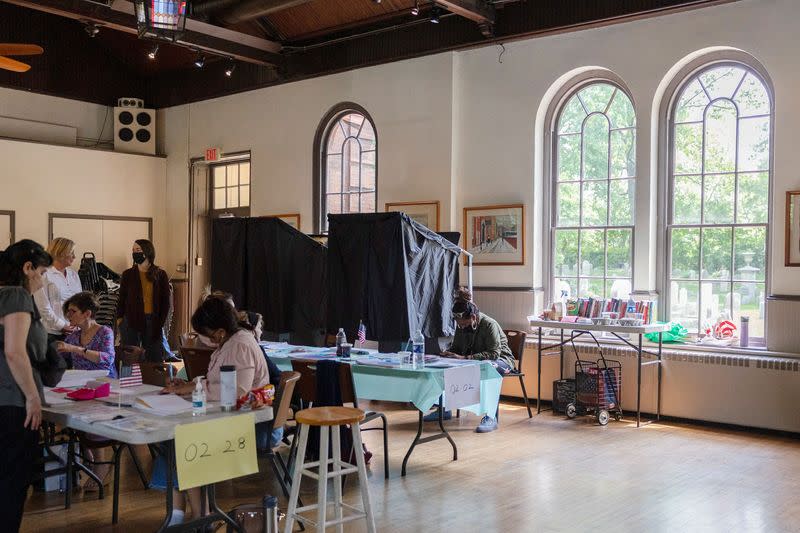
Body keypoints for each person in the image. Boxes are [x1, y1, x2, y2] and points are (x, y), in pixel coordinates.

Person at [160, 297, 271, 525]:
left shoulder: (240, 345)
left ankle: (200, 516)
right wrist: (192, 385)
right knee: (171, 440)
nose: (202, 337)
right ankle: (184, 513)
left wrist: (197, 388)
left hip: (249, 425)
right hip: (230, 415)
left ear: (219, 331)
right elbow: (219, 382)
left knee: (183, 440)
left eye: (205, 332)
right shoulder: (230, 342)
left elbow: (237, 391)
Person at [0, 239, 50, 531]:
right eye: (41, 273)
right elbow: (14, 352)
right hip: (11, 404)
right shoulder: (17, 296)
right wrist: (32, 396)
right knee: (11, 487)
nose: (42, 281)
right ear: (27, 268)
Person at [436, 288, 515, 433]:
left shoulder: (488, 324)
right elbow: (458, 349)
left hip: (501, 361)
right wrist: (448, 354)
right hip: (475, 361)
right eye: (459, 324)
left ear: (473, 317)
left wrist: (466, 358)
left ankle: (491, 416)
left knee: (488, 368)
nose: (462, 327)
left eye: (464, 324)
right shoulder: (461, 327)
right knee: (445, 367)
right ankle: (444, 409)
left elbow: (494, 353)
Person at [117, 239, 172, 362]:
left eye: (138, 250)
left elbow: (165, 302)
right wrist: (119, 320)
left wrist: (160, 322)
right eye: (133, 250)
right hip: (130, 320)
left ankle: (153, 381)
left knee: (154, 357)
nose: (134, 253)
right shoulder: (128, 274)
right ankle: (128, 380)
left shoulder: (160, 274)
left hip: (153, 321)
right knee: (129, 358)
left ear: (147, 251)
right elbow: (122, 299)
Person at [33, 237, 81, 346]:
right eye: (71, 253)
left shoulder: (74, 275)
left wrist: (78, 324)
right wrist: (61, 326)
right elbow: (43, 307)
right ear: (61, 253)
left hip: (74, 331)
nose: (74, 256)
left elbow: (80, 303)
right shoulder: (44, 274)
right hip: (52, 333)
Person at [57, 292, 116, 378]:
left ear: (87, 314)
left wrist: (76, 349)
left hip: (105, 382)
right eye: (68, 311)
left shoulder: (105, 332)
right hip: (81, 382)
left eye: (72, 311)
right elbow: (58, 357)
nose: (68, 315)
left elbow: (108, 359)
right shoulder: (73, 337)